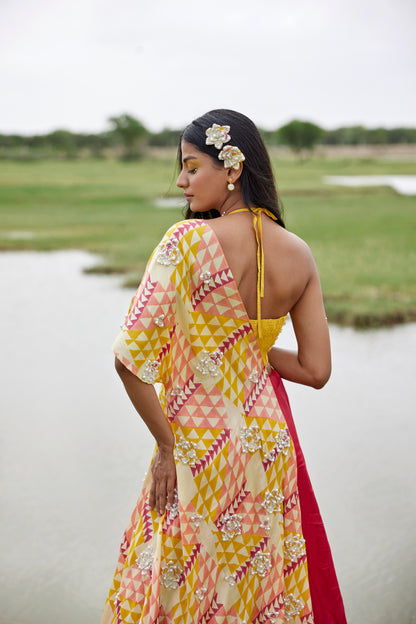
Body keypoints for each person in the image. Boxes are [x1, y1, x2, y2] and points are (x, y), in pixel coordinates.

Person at [101, 109, 347, 624]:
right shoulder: (299, 253)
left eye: (192, 166)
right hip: (266, 446)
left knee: (182, 584)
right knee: (252, 589)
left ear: (232, 169)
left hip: (199, 443)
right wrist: (243, 347)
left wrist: (168, 447)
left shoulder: (187, 242)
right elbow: (315, 369)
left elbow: (129, 361)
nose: (181, 180)